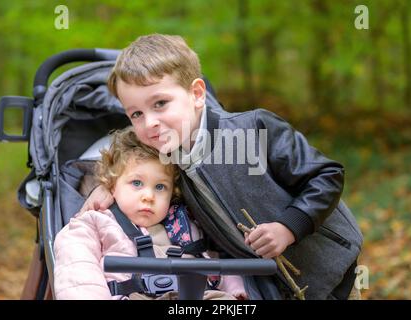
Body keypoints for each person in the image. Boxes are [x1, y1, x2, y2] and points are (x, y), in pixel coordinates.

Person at [80, 34, 363, 300]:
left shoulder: (253, 130)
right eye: (137, 113)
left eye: (161, 103)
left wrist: (288, 227)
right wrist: (105, 187)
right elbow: (123, 161)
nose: (149, 122)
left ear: (197, 94)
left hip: (330, 267)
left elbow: (326, 175)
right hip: (268, 286)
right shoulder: (165, 157)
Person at [53, 126, 247, 300]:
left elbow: (211, 262)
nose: (148, 196)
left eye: (160, 187)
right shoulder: (94, 223)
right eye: (136, 183)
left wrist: (236, 288)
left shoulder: (187, 224)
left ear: (173, 193)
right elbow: (77, 271)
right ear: (112, 185)